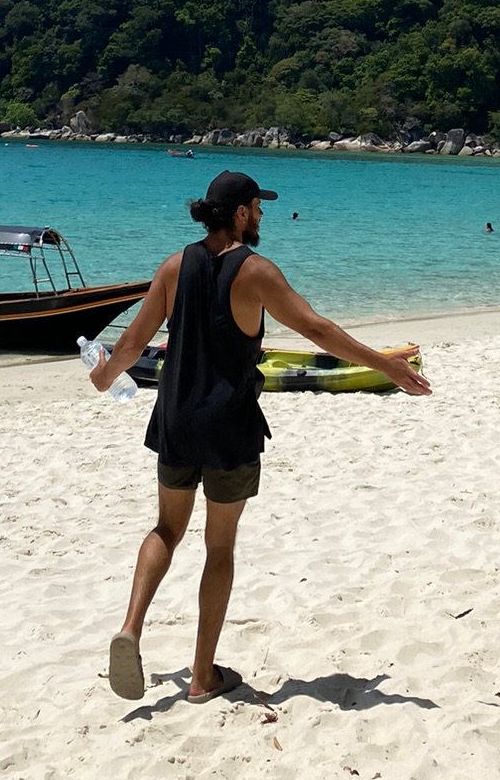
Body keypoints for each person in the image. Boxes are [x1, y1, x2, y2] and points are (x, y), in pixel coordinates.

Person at [89, 170, 431, 706]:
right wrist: (385, 365)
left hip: (175, 420)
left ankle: (131, 627)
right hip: (229, 428)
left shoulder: (175, 266)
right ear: (241, 213)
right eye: (258, 206)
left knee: (165, 528)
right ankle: (202, 676)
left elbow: (132, 341)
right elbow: (317, 330)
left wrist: (104, 376)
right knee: (218, 547)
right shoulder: (256, 272)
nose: (263, 215)